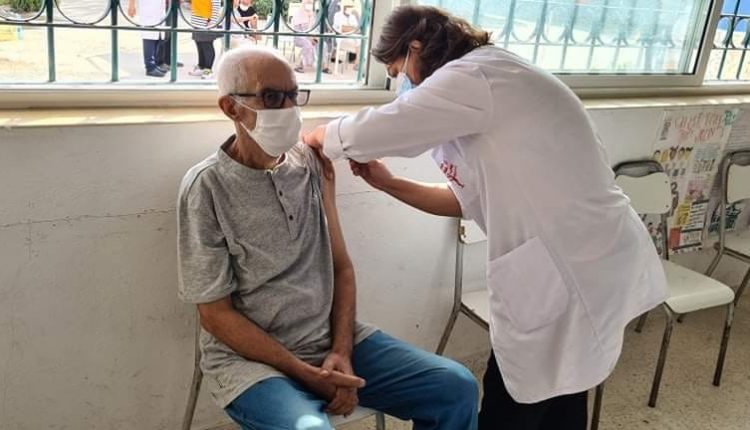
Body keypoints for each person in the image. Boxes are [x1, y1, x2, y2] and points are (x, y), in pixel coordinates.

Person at [303, 6, 669, 430]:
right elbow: (465, 200)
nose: (402, 83)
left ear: (416, 47)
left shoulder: (475, 76)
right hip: (584, 256)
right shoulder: (481, 90)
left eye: (398, 70)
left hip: (574, 262)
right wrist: (388, 184)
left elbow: (379, 128)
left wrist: (317, 137)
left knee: (514, 398)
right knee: (564, 385)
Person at [177, 46, 479, 430]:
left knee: (455, 387)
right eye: (272, 97)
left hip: (329, 340)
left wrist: (341, 351)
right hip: (250, 362)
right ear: (231, 107)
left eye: (293, 94)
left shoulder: (309, 163)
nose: (289, 108)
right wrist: (306, 373)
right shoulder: (206, 188)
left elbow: (342, 268)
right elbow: (215, 315)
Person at [127, 0, 166, 77]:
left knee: (158, 33)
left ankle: (154, 65)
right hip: (148, 7)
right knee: (149, 35)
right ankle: (150, 67)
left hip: (158, 7)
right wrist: (131, 5)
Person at [291, 0, 331, 74]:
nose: (309, 5)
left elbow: (315, 29)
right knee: (308, 44)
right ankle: (299, 65)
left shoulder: (312, 15)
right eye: (308, 2)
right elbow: (299, 32)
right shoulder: (298, 14)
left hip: (311, 37)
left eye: (311, 3)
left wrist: (315, 38)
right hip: (300, 37)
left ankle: (324, 67)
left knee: (323, 44)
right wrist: (309, 39)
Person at [189, 0, 222, 79]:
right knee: (199, 44)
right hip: (196, 20)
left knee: (207, 45)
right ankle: (201, 66)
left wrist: (213, 21)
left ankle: (208, 69)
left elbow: (216, 5)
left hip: (206, 22)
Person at [332, 4, 360, 68]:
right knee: (359, 44)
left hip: (353, 39)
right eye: (347, 6)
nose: (348, 8)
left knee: (363, 42)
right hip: (342, 39)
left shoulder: (352, 16)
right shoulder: (337, 15)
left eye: (350, 6)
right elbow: (341, 28)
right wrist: (351, 29)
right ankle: (357, 63)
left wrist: (348, 29)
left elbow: (357, 29)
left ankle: (357, 62)